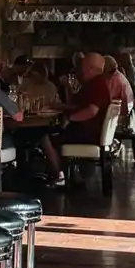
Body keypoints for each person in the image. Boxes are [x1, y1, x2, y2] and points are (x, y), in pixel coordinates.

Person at [44, 51, 114, 182]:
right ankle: (60, 174)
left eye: (82, 66)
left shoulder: (97, 85)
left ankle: (59, 176)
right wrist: (66, 89)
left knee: (44, 135)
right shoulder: (94, 83)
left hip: (87, 134)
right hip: (90, 132)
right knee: (48, 134)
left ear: (90, 68)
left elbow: (91, 111)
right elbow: (76, 104)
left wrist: (69, 118)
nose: (79, 69)